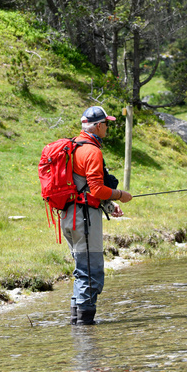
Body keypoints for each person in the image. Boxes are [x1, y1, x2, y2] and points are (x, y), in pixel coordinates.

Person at [60, 105, 132, 325]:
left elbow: (82, 187)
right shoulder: (91, 151)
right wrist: (120, 195)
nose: (107, 127)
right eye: (106, 124)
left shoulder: (73, 146)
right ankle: (85, 327)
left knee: (82, 269)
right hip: (84, 219)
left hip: (68, 216)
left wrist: (109, 206)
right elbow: (97, 189)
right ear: (98, 126)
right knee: (91, 271)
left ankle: (78, 324)